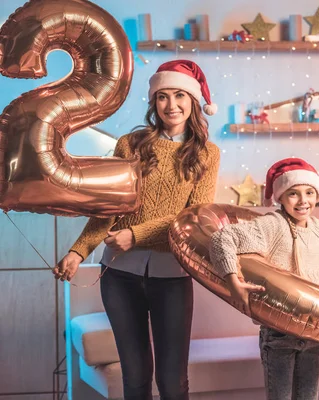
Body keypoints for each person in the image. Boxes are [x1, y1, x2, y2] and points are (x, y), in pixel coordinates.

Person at [52, 59, 221, 400]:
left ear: (192, 101)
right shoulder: (130, 145)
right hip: (118, 275)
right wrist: (78, 250)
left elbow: (193, 217)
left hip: (172, 276)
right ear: (153, 102)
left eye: (179, 96)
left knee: (173, 383)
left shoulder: (207, 154)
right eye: (162, 97)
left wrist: (137, 235)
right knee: (135, 378)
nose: (170, 105)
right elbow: (109, 209)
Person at [209, 158, 319, 400]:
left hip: (312, 332)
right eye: (293, 194)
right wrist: (232, 279)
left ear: (317, 196)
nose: (303, 200)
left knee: (309, 397)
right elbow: (222, 239)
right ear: (280, 198)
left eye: (309, 193)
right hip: (279, 333)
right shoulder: (271, 225)